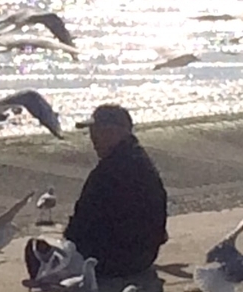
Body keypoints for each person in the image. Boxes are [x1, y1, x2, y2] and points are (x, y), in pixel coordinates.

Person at [34, 104, 168, 279]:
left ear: (116, 132)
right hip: (144, 257)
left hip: (110, 260)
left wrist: (68, 243)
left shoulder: (109, 171)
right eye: (92, 132)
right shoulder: (142, 162)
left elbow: (83, 222)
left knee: (38, 249)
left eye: (99, 132)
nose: (93, 139)